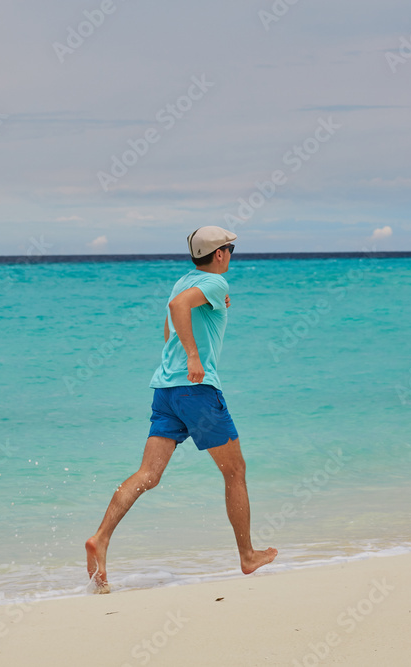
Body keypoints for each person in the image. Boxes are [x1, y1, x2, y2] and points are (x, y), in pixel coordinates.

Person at [85, 226, 278, 593]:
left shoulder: (183, 283)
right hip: (197, 391)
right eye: (230, 249)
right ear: (219, 254)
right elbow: (178, 310)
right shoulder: (214, 284)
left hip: (166, 390)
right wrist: (194, 355)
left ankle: (101, 537)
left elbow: (170, 325)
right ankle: (247, 555)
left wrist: (185, 348)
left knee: (148, 474)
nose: (231, 254)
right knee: (235, 471)